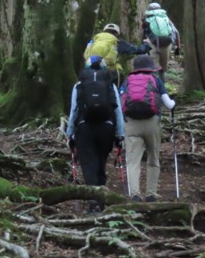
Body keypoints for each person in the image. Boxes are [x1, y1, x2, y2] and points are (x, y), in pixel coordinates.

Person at [65, 56, 125, 213]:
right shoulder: (110, 85)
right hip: (106, 128)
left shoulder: (79, 85)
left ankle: (94, 203)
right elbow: (117, 110)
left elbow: (74, 110)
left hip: (85, 128)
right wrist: (120, 133)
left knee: (89, 165)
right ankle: (101, 199)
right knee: (100, 162)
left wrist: (69, 132)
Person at [120, 54, 176, 202]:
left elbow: (120, 104)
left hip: (131, 124)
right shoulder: (156, 81)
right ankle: (151, 193)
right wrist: (174, 104)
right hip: (152, 123)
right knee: (153, 158)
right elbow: (169, 104)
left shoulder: (127, 82)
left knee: (132, 161)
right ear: (150, 68)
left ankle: (135, 194)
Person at [84, 22, 151, 85]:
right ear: (117, 34)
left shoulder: (94, 40)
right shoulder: (117, 42)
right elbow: (139, 50)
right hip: (110, 73)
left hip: (90, 71)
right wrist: (146, 43)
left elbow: (86, 54)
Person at [142, 3, 181, 82]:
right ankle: (162, 88)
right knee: (163, 68)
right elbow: (176, 32)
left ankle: (154, 87)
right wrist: (178, 47)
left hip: (153, 44)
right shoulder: (166, 18)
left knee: (154, 66)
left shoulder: (147, 19)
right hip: (167, 44)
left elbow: (144, 33)